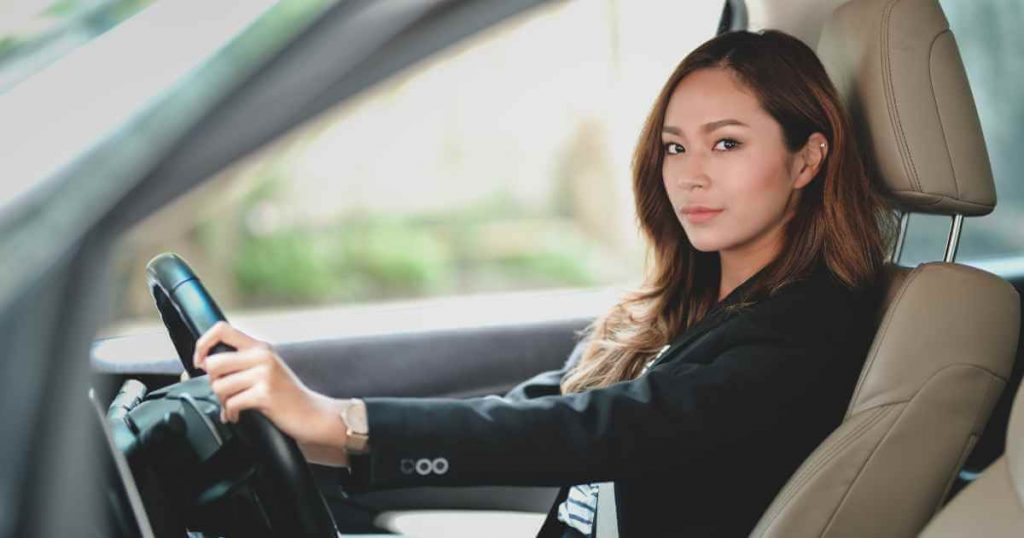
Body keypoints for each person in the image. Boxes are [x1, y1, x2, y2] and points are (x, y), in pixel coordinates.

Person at [190, 30, 895, 537]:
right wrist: (330, 433)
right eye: (675, 146)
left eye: (727, 143)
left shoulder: (810, 325)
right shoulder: (689, 304)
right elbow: (539, 403)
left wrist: (342, 421)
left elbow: (599, 429)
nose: (690, 173)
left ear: (807, 161)